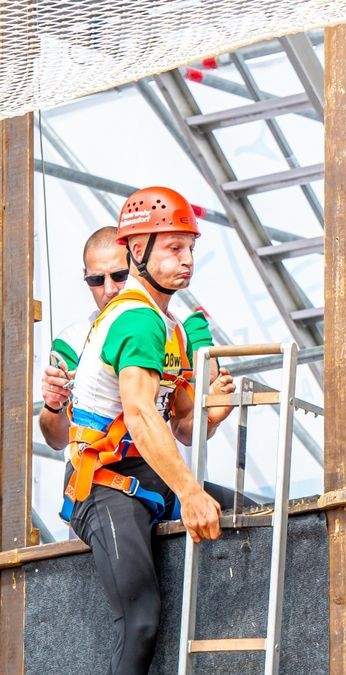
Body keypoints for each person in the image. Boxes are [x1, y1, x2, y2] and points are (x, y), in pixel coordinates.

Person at [62, 186, 235, 674]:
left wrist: (210, 412)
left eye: (191, 248)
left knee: (247, 515)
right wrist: (190, 491)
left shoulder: (170, 327)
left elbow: (179, 424)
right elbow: (139, 413)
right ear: (138, 250)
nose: (187, 261)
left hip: (144, 474)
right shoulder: (138, 320)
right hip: (102, 484)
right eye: (174, 248)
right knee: (138, 621)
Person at [40, 226, 218, 451]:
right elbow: (56, 440)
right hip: (100, 477)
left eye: (119, 275)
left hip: (169, 475)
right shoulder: (71, 339)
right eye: (95, 279)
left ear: (136, 265)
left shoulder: (185, 320)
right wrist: (54, 405)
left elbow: (208, 375)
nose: (109, 289)